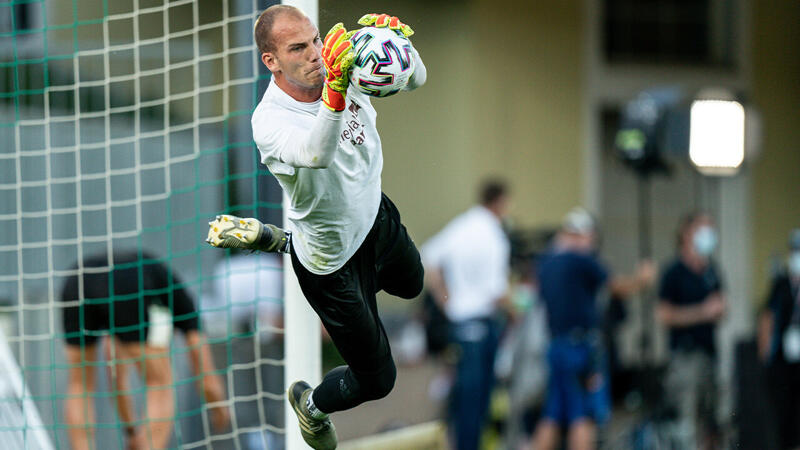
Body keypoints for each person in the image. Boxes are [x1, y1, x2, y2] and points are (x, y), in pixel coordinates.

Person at [205, 6, 427, 449]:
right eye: (297, 48)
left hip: (375, 218)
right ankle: (311, 407)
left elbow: (415, 78)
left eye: (315, 39)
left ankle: (277, 240)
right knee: (378, 379)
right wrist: (338, 92)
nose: (315, 53)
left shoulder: (343, 64)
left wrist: (401, 49)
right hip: (331, 264)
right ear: (271, 61)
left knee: (413, 284)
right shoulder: (268, 119)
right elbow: (315, 154)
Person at [60, 250, 229, 450]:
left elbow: (116, 378)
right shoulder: (184, 308)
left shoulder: (128, 320)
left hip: (78, 278)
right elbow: (207, 377)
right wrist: (220, 409)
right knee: (160, 383)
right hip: (127, 280)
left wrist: (132, 430)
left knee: (80, 384)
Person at [532, 207, 654, 450]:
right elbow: (616, 286)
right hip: (580, 349)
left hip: (556, 346)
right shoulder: (581, 260)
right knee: (583, 416)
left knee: (553, 415)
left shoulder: (546, 263)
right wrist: (642, 279)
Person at [421, 179, 511, 450]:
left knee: (462, 402)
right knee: (478, 403)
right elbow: (497, 291)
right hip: (481, 324)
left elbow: (429, 257)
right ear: (501, 202)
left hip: (459, 323)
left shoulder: (461, 226)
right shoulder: (494, 235)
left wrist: (447, 300)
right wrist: (518, 310)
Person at [656, 212, 726, 449]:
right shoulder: (673, 272)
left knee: (712, 417)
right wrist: (702, 312)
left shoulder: (711, 270)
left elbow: (720, 305)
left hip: (710, 352)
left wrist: (718, 310)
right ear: (687, 233)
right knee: (687, 418)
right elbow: (664, 315)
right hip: (685, 357)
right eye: (704, 228)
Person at [758, 228, 800, 450]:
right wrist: (764, 354)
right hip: (782, 360)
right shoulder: (781, 283)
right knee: (782, 413)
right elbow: (768, 317)